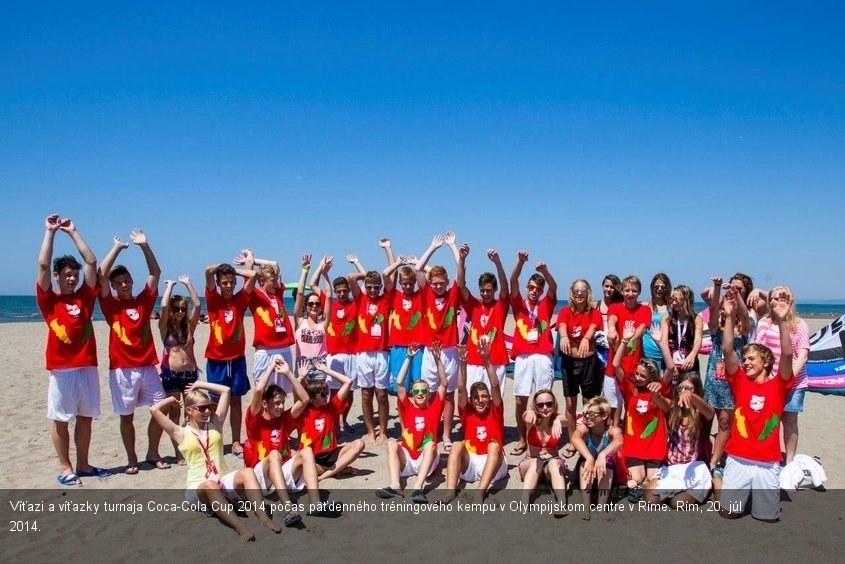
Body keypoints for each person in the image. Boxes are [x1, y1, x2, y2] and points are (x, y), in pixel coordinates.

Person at [149, 381, 282, 540]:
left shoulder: (215, 424)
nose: (207, 411)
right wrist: (171, 400)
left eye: (209, 407)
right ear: (190, 410)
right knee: (210, 485)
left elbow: (226, 391)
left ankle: (264, 518)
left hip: (222, 479)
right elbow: (154, 410)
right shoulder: (180, 433)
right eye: (202, 408)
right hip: (198, 486)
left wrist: (199, 384)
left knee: (247, 472)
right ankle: (240, 527)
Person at [36, 214, 110, 486]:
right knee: (60, 419)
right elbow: (43, 265)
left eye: (74, 275)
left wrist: (73, 231)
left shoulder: (85, 296)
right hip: (62, 369)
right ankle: (66, 467)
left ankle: (84, 464)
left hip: (87, 365)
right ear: (58, 277)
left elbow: (92, 262)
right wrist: (50, 232)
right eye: (67, 275)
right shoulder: (49, 299)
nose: (71, 279)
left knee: (85, 417)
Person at [713, 286, 794, 521]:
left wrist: (780, 321)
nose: (746, 362)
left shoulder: (779, 384)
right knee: (728, 514)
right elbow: (727, 349)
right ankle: (718, 476)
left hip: (767, 463)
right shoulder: (739, 381)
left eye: (751, 359)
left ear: (766, 362)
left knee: (766, 518)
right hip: (738, 458)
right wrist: (728, 317)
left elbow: (787, 355)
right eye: (745, 358)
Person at [98, 229, 167, 474]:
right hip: (122, 369)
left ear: (131, 281)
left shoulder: (143, 301)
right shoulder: (110, 305)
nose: (124, 285)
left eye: (127, 281)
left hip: (148, 366)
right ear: (114, 287)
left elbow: (155, 273)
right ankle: (131, 458)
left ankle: (153, 451)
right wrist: (116, 249)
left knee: (161, 408)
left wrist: (144, 246)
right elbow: (101, 275)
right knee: (126, 416)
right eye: (119, 283)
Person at [244, 357, 326, 525]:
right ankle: (288, 508)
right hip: (261, 478)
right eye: (276, 403)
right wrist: (270, 368)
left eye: (282, 403)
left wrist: (288, 373)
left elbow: (304, 400)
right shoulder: (255, 421)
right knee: (274, 454)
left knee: (307, 452)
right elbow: (259, 391)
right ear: (265, 404)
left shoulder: (284, 419)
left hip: (282, 473)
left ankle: (316, 504)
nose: (281, 407)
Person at [375, 342, 446, 503]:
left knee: (431, 445)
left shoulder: (434, 408)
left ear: (429, 394)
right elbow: (399, 383)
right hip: (407, 458)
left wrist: (438, 360)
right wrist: (408, 357)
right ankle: (395, 486)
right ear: (412, 394)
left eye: (423, 391)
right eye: (416, 391)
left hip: (426, 459)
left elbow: (443, 384)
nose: (420, 394)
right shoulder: (407, 407)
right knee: (393, 443)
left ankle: (418, 488)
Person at [439, 341, 508, 503]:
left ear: (490, 399)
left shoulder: (495, 410)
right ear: (471, 400)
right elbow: (461, 388)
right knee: (456, 444)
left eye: (484, 396)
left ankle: (480, 492)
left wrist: (486, 359)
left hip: (494, 463)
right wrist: (463, 362)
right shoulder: (467, 411)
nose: (480, 400)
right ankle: (450, 491)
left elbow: (495, 385)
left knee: (494, 445)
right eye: (476, 397)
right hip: (471, 461)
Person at [204, 261, 258, 458]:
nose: (228, 286)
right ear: (218, 283)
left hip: (237, 359)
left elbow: (252, 276)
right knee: (214, 402)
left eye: (231, 282)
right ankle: (214, 440)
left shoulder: (240, 299)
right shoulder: (212, 299)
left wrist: (233, 271)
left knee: (236, 401)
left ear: (235, 282)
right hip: (216, 359)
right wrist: (222, 269)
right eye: (224, 282)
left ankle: (235, 441)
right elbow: (208, 271)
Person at [613, 324, 672, 502]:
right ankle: (634, 487)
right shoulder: (631, 389)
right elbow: (616, 364)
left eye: (642, 376)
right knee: (637, 479)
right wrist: (625, 340)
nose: (637, 378)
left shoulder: (659, 388)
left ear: (651, 378)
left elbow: (670, 368)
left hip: (654, 445)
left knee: (653, 477)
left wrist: (661, 343)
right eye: (637, 374)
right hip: (634, 444)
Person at [752, 285, 809, 464]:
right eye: (774, 298)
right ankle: (770, 456)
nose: (778, 301)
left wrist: (788, 378)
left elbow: (803, 354)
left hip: (794, 382)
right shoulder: (764, 323)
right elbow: (757, 349)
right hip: (768, 381)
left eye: (782, 298)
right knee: (769, 420)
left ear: (790, 302)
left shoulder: (799, 324)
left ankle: (789, 462)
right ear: (769, 302)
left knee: (790, 421)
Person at [348, 241, 397, 444]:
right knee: (366, 394)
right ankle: (370, 431)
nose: (374, 290)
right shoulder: (361, 298)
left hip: (381, 353)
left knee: (382, 394)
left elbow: (391, 276)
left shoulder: (386, 299)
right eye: (370, 287)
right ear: (365, 287)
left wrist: (388, 249)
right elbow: (351, 278)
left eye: (377, 287)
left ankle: (383, 430)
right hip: (363, 353)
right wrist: (366, 275)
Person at [508, 250, 557, 456]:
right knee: (521, 399)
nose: (534, 291)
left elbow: (554, 287)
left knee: (545, 399)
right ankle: (522, 438)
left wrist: (545, 272)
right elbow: (512, 280)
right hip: (523, 355)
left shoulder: (546, 303)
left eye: (538, 288)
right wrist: (520, 262)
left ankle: (544, 437)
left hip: (544, 354)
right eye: (531, 287)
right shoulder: (519, 304)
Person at [418, 232, 463, 449]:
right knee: (429, 392)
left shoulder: (453, 294)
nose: (437, 286)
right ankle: (431, 431)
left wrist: (453, 247)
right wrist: (433, 247)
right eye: (434, 283)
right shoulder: (425, 293)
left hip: (449, 351)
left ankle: (445, 435)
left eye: (441, 283)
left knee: (448, 395)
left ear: (446, 282)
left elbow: (460, 271)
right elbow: (418, 268)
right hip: (430, 351)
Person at [702, 276, 752, 469]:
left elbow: (746, 317)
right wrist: (717, 287)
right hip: (714, 380)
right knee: (705, 420)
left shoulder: (745, 327)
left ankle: (715, 459)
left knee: (724, 422)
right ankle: (704, 453)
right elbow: (713, 309)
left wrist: (736, 295)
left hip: (733, 381)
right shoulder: (716, 327)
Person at [642, 374, 715, 507]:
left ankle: (702, 488)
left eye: (689, 388)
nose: (684, 391)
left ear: (697, 391)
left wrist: (691, 396)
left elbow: (709, 410)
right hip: (671, 467)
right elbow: (659, 399)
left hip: (695, 467)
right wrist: (655, 391)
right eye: (681, 388)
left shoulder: (703, 413)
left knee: (678, 503)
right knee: (650, 501)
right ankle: (675, 489)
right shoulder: (672, 409)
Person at [233, 249, 296, 396]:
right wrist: (249, 262)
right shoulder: (254, 295)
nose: (276, 282)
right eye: (272, 280)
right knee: (263, 392)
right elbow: (249, 276)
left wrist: (255, 260)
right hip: (265, 351)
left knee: (282, 393)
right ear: (262, 281)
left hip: (284, 350)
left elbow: (275, 264)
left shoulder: (278, 293)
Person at [295, 358, 365, 480]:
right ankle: (338, 469)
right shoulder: (304, 411)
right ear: (312, 398)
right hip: (312, 457)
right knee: (301, 466)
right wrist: (300, 378)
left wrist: (326, 370)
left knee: (359, 444)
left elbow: (348, 382)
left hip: (332, 453)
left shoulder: (331, 408)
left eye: (326, 391)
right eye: (322, 393)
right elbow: (297, 396)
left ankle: (327, 473)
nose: (326, 395)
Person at [311, 255, 359, 430]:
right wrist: (321, 268)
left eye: (344, 291)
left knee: (350, 391)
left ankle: (343, 420)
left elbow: (363, 277)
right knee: (332, 391)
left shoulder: (356, 303)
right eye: (338, 291)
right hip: (332, 354)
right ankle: (334, 420)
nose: (341, 294)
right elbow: (313, 284)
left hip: (352, 354)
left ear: (348, 290)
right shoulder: (328, 302)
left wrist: (355, 263)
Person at [158, 275, 202, 465]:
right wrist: (169, 287)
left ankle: (194, 446)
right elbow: (163, 307)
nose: (180, 312)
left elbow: (198, 305)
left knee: (193, 412)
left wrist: (188, 284)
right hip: (172, 376)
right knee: (175, 414)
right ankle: (179, 452)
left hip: (190, 375)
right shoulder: (164, 328)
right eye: (177, 309)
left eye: (183, 309)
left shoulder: (190, 327)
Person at [556, 279, 602, 454]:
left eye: (583, 290)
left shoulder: (594, 313)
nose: (580, 294)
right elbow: (562, 326)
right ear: (572, 293)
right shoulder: (565, 311)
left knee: (589, 402)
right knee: (570, 402)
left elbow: (592, 327)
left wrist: (585, 338)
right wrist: (564, 337)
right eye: (576, 290)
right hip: (569, 361)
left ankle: (589, 437)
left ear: (588, 292)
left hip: (589, 362)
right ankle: (573, 440)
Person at [456, 245, 510, 392]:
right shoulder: (473, 305)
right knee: (473, 400)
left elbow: (505, 288)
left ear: (494, 290)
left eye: (488, 290)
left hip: (496, 360)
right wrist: (462, 259)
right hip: (474, 360)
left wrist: (498, 263)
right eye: (482, 290)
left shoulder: (500, 306)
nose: (485, 293)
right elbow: (460, 285)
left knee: (495, 401)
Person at [605, 275, 652, 427]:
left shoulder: (644, 309)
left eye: (634, 290)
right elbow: (612, 319)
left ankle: (629, 433)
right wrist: (612, 330)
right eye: (627, 290)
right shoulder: (615, 307)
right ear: (622, 291)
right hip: (614, 367)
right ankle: (613, 433)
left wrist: (629, 340)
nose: (630, 294)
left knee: (631, 403)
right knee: (612, 405)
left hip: (633, 368)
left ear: (639, 292)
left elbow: (642, 328)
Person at [570, 396, 623, 521]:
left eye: (592, 413)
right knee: (585, 461)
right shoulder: (584, 428)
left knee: (607, 463)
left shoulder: (611, 431)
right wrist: (589, 458)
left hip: (605, 475)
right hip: (585, 473)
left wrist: (602, 455)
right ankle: (585, 506)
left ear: (604, 416)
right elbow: (575, 438)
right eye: (586, 413)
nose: (587, 417)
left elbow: (619, 440)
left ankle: (601, 508)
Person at [518, 389, 569, 517]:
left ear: (554, 404)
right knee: (536, 461)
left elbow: (566, 420)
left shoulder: (557, 420)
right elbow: (525, 416)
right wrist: (529, 411)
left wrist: (557, 420)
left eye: (549, 404)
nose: (545, 408)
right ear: (535, 406)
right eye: (540, 405)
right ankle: (524, 501)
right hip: (530, 465)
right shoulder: (532, 420)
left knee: (553, 463)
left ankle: (562, 504)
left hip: (550, 467)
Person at [596, 274, 623, 425]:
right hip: (598, 352)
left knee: (616, 391)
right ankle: (602, 422)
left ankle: (615, 423)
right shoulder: (596, 305)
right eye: (606, 286)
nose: (609, 289)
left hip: (614, 350)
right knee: (600, 389)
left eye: (612, 286)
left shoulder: (620, 305)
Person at [661, 284, 703, 380]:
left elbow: (698, 340)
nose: (673, 303)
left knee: (689, 393)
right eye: (672, 299)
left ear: (686, 300)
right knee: (669, 394)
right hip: (669, 364)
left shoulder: (696, 319)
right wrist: (670, 364)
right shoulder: (667, 318)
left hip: (689, 364)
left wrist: (692, 356)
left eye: (677, 299)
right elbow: (664, 342)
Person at [293, 254, 328, 360]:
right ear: (305, 305)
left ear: (321, 307)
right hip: (302, 364)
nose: (314, 306)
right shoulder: (299, 321)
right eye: (310, 304)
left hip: (320, 364)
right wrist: (304, 271)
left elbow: (329, 296)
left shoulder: (323, 323)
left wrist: (323, 271)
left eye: (317, 304)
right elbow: (299, 293)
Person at [641, 273, 672, 372]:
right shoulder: (645, 305)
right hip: (646, 352)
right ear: (652, 287)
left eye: (663, 287)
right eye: (656, 286)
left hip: (664, 353)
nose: (659, 289)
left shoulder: (671, 307)